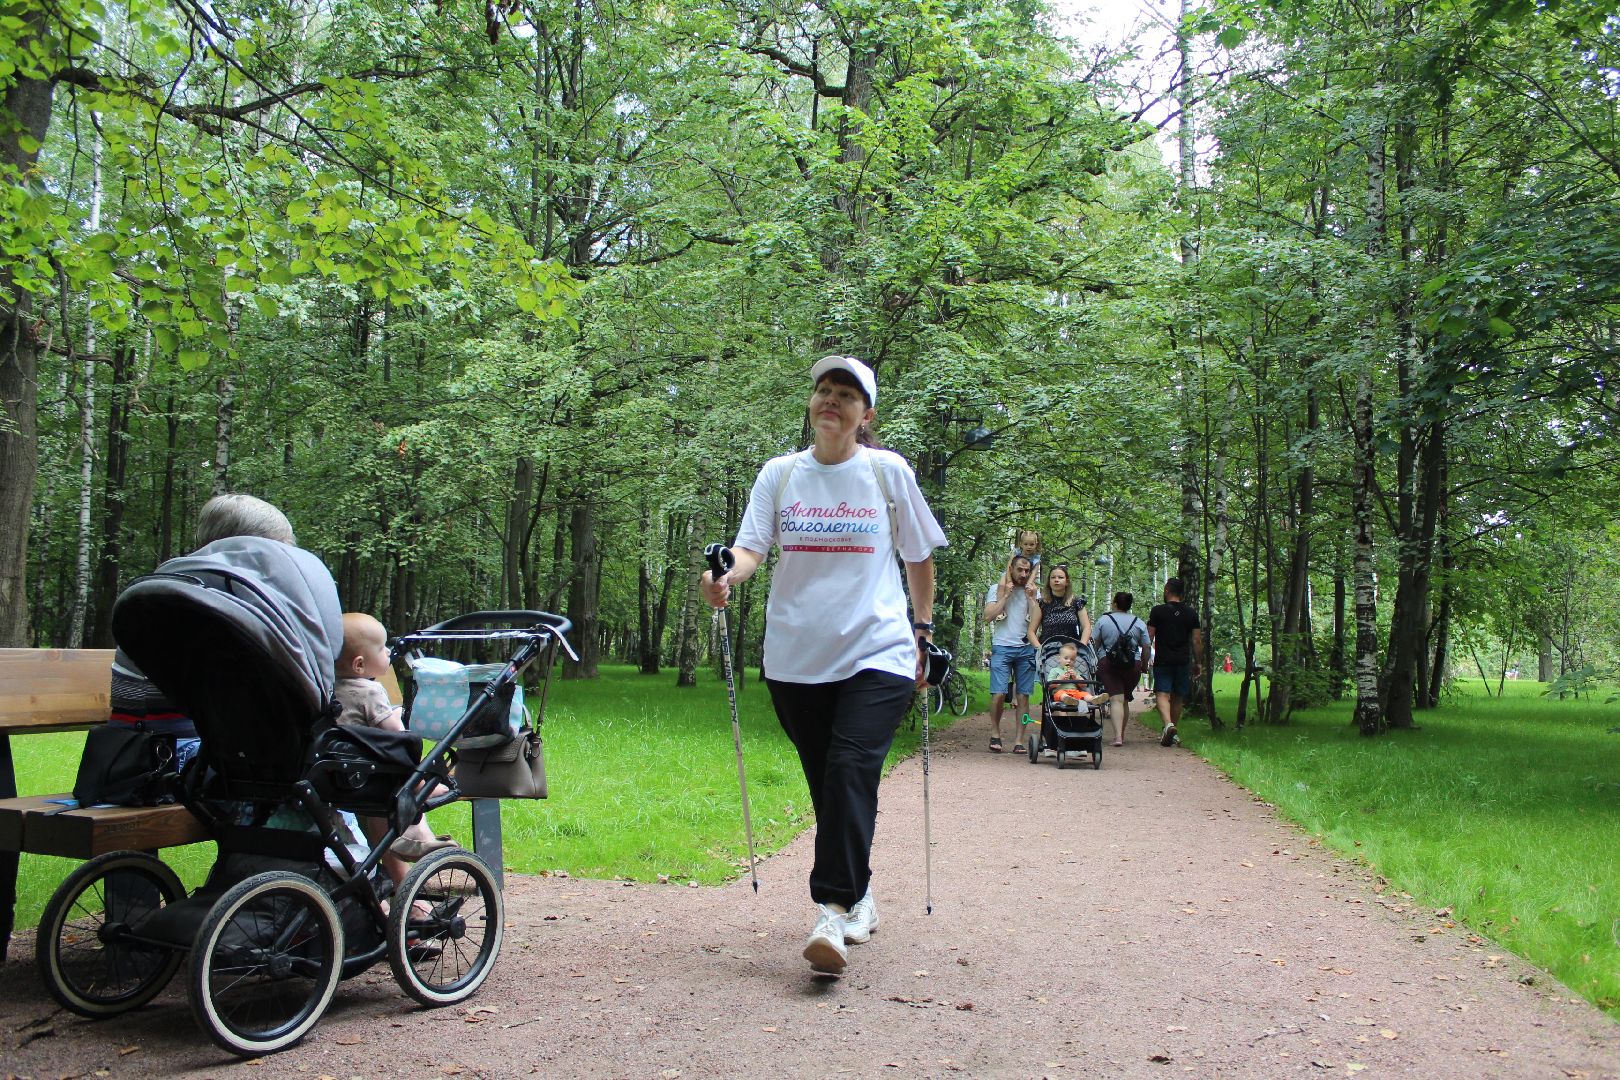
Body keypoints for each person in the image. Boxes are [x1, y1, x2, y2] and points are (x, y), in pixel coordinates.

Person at [699, 354, 946, 978]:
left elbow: (918, 556)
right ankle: (860, 894)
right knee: (829, 786)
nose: (830, 400)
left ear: (865, 414)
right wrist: (723, 575)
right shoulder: (781, 475)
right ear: (812, 405)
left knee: (849, 767)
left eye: (845, 393)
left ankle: (831, 913)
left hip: (878, 649)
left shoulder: (887, 473)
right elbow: (752, 549)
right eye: (823, 390)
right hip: (796, 657)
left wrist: (921, 630)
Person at [106, 494, 300, 774]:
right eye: (276, 552)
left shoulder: (176, 588)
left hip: (191, 747)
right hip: (162, 753)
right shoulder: (192, 604)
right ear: (245, 550)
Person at [334, 612, 458, 887]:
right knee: (403, 764)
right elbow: (395, 733)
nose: (388, 652)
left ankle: (399, 867)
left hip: (340, 774)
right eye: (381, 648)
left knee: (376, 807)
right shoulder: (371, 691)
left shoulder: (329, 687)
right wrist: (400, 716)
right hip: (373, 774)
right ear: (359, 664)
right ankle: (419, 814)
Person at [983, 553, 1040, 754]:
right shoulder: (996, 589)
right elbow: (988, 617)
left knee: (1023, 697)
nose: (1024, 574)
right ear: (1011, 570)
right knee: (999, 694)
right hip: (1002, 647)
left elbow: (1037, 622)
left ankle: (1019, 740)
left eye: (1027, 570)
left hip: (1026, 649)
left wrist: (1032, 600)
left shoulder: (1033, 592)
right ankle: (995, 733)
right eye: (1020, 570)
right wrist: (1006, 595)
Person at [1147, 577, 1203, 747]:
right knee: (1178, 697)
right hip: (1182, 660)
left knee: (1162, 694)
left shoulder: (1157, 611)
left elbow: (1149, 636)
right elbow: (1197, 640)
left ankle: (1168, 725)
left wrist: (1144, 658)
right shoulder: (1191, 613)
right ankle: (1173, 730)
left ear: (1167, 590)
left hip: (1163, 659)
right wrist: (1198, 662)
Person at [1092, 592, 1150, 747]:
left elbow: (1095, 642)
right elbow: (1146, 646)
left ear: (1114, 604)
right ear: (1129, 606)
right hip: (1133, 665)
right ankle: (1121, 734)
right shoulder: (1139, 622)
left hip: (1108, 663)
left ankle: (1118, 737)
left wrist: (1094, 661)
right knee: (1124, 699)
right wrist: (1144, 665)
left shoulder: (1104, 620)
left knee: (1115, 699)